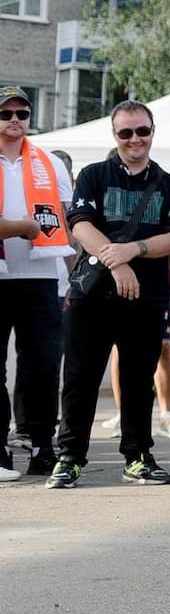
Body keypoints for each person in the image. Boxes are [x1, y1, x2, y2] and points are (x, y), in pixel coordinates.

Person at [45, 102, 170, 488]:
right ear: (115, 136)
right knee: (80, 378)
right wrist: (117, 262)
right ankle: (70, 458)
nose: (134, 139)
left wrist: (133, 250)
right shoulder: (93, 175)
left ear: (152, 132)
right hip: (92, 296)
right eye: (126, 133)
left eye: (141, 131)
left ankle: (138, 456)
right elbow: (79, 226)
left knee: (139, 379)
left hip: (146, 297)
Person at [0, 83, 73, 480]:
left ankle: (44, 446)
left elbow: (66, 220)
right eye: (6, 114)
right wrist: (17, 228)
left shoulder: (49, 161)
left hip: (44, 275)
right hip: (0, 274)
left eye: (22, 114)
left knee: (44, 366)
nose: (15, 121)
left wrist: (72, 272)